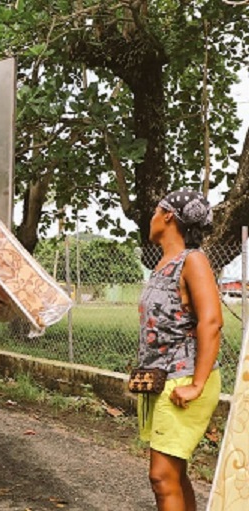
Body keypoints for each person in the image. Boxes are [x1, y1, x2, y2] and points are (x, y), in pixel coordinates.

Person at [136, 189, 221, 511]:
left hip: (184, 379)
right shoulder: (163, 263)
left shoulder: (192, 260)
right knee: (174, 473)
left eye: (156, 211)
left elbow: (211, 322)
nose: (152, 217)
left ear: (168, 215)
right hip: (163, 378)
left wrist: (196, 385)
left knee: (161, 476)